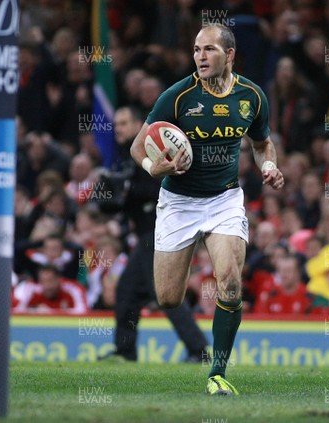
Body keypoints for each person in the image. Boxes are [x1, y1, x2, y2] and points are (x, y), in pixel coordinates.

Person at [129, 24, 284, 395]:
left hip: (223, 200)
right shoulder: (178, 96)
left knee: (230, 281)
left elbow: (263, 144)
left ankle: (218, 373)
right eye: (197, 49)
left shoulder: (252, 97)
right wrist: (156, 168)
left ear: (229, 55)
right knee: (168, 297)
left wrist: (268, 166)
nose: (200, 56)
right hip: (179, 202)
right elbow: (138, 146)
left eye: (209, 49)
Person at [105, 106, 210, 364]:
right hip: (146, 236)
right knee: (128, 292)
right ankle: (125, 351)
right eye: (116, 124)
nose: (118, 128)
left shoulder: (153, 150)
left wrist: (126, 193)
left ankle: (199, 351)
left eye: (123, 123)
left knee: (164, 295)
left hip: (160, 234)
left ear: (138, 125)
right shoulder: (126, 158)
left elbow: (158, 189)